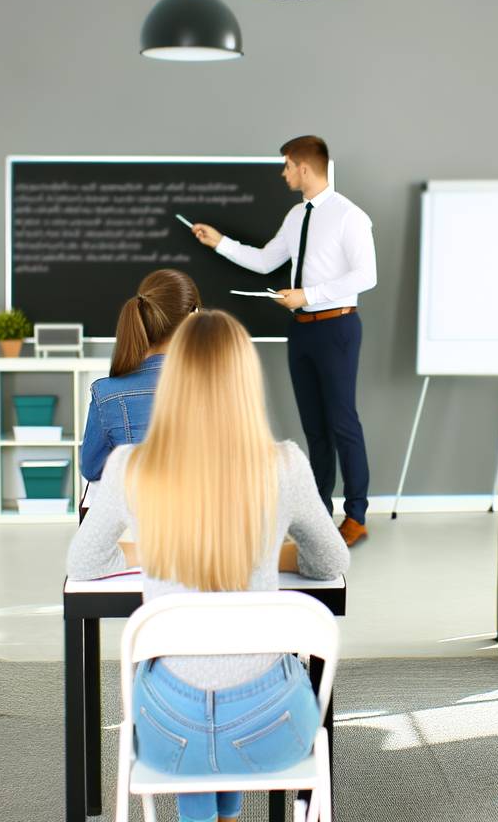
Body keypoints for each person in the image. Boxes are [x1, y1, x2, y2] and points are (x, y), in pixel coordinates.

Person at [66, 310, 350, 822]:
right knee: (244, 697)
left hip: (169, 732)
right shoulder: (284, 464)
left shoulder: (130, 466)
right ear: (246, 380)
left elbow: (82, 563)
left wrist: (155, 550)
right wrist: (267, 552)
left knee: (189, 703)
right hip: (269, 729)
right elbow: (331, 560)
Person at [191, 135, 377, 546]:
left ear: (304, 168)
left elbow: (367, 276)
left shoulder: (350, 216)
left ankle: (357, 516)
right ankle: (319, 512)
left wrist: (308, 295)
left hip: (337, 327)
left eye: (286, 166)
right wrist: (218, 242)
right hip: (302, 329)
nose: (283, 173)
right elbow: (264, 260)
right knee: (314, 427)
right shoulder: (296, 216)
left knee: (343, 422)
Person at [79, 268, 200, 482]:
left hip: (136, 513)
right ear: (192, 318)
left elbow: (91, 469)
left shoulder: (106, 393)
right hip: (203, 514)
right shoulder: (219, 386)